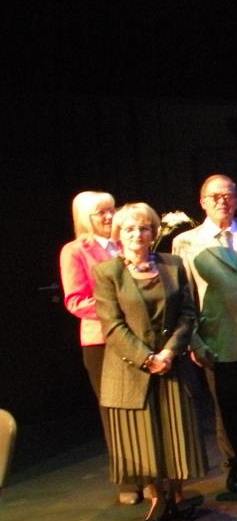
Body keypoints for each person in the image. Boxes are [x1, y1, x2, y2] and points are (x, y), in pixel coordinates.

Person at [93, 204, 207, 521]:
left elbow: (188, 313)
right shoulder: (107, 272)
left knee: (176, 432)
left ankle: (178, 495)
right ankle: (157, 498)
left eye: (144, 228)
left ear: (153, 232)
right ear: (119, 234)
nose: (137, 235)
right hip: (132, 370)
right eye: (129, 229)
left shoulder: (173, 265)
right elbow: (112, 325)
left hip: (172, 364)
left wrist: (169, 352)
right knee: (144, 439)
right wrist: (147, 358)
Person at [173, 174, 237, 493]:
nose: (223, 201)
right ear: (203, 202)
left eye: (228, 195)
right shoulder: (186, 242)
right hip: (217, 336)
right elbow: (185, 296)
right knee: (228, 406)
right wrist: (194, 340)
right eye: (215, 196)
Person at [60, 190, 141, 505]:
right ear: (85, 218)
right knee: (114, 411)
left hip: (137, 338)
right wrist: (119, 310)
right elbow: (76, 301)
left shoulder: (127, 243)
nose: (110, 217)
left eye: (112, 210)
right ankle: (128, 479)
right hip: (102, 342)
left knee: (141, 409)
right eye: (101, 213)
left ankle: (151, 475)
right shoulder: (75, 251)